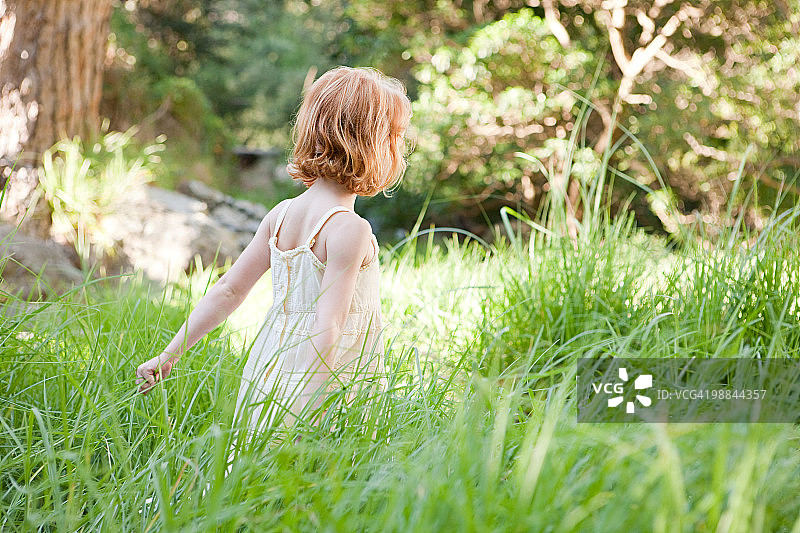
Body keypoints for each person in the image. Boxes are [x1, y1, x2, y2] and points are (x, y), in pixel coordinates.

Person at [134, 66, 412, 442]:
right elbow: (328, 325)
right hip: (324, 377)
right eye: (395, 137)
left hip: (270, 365)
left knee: (257, 464)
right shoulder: (350, 229)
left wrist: (169, 354)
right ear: (371, 144)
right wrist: (307, 410)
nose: (400, 148)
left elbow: (228, 290)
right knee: (318, 472)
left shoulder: (280, 214)